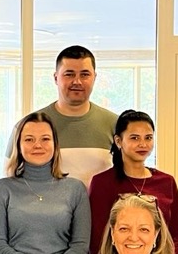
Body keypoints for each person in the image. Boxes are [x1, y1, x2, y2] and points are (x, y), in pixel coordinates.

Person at [0, 111, 90, 254]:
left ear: (55, 144)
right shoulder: (2, 188)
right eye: (29, 139)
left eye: (45, 139)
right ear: (18, 145)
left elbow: (80, 246)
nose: (37, 145)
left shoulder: (75, 189)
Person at [88, 110, 178, 254]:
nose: (143, 144)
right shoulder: (102, 183)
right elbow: (96, 238)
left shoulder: (167, 182)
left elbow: (177, 233)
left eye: (148, 138)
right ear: (118, 141)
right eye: (134, 138)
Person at [34, 45, 118, 186]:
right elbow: (13, 178)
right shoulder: (30, 126)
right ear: (56, 78)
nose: (77, 81)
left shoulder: (116, 125)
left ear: (94, 77)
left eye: (84, 75)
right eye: (69, 74)